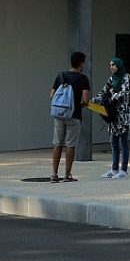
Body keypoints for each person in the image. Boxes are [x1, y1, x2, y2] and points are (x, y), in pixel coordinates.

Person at [49, 51, 92, 183]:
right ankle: (67, 175)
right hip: (74, 115)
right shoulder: (83, 79)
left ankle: (54, 174)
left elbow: (51, 95)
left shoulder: (61, 76)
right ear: (81, 63)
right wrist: (79, 104)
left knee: (57, 144)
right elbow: (85, 100)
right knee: (70, 145)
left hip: (59, 115)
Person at [94, 56, 130, 178]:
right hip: (113, 116)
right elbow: (103, 93)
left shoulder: (126, 77)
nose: (111, 67)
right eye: (110, 65)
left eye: (113, 65)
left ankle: (124, 170)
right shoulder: (112, 79)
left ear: (119, 66)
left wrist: (112, 93)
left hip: (123, 115)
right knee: (113, 142)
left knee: (123, 142)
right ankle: (114, 169)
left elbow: (123, 94)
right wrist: (91, 101)